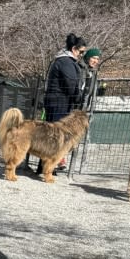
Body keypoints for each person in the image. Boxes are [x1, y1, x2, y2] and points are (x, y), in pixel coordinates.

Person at [40, 33, 88, 173]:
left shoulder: (62, 60)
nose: (81, 55)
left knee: (52, 134)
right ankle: (49, 167)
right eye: (81, 52)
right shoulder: (66, 62)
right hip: (59, 102)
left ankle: (48, 166)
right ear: (74, 49)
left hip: (57, 101)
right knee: (56, 135)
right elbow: (71, 83)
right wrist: (78, 98)